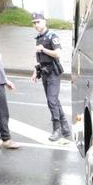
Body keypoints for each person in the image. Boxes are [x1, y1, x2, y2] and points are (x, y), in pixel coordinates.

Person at [31, 12, 71, 142]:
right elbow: (39, 59)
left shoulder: (52, 36)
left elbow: (58, 54)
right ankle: (65, 127)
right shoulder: (38, 38)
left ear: (44, 21)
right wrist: (35, 71)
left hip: (53, 71)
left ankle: (57, 129)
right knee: (54, 100)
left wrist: (43, 49)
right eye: (34, 23)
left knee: (51, 100)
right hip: (44, 72)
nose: (36, 25)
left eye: (38, 22)